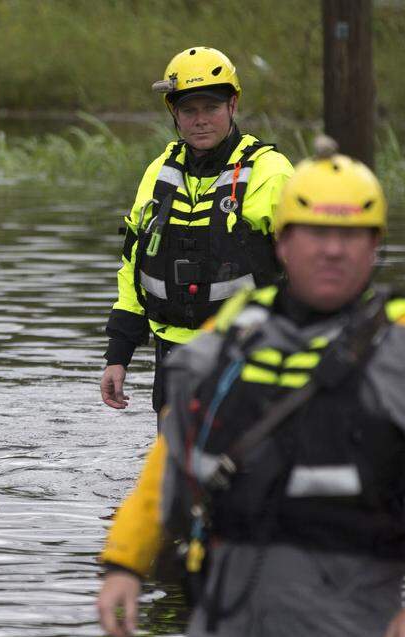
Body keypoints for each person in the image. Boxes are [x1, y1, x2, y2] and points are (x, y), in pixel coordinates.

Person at [95, 141, 405, 637]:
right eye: (315, 234)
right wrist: (124, 564)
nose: (333, 251)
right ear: (282, 243)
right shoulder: (233, 333)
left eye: (351, 236)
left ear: (375, 246)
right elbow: (174, 461)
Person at [100, 47, 294, 414]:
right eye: (189, 110)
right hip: (174, 354)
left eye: (211, 108)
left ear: (232, 105)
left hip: (250, 353)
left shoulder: (271, 172)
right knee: (175, 467)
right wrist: (118, 355)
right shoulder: (160, 172)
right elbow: (132, 267)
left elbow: (309, 270)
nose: (200, 120)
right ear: (174, 112)